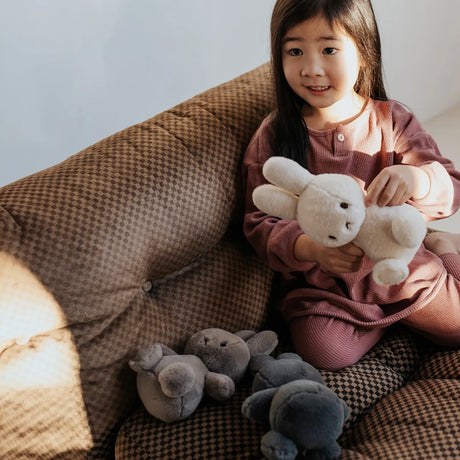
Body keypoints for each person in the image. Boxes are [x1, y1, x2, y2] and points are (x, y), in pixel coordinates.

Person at [243, 0, 460, 371]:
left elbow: (451, 186)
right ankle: (386, 319)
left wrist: (416, 178)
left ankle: (439, 245)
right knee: (325, 355)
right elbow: (259, 221)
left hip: (404, 269)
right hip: (328, 289)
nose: (311, 69)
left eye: (329, 49)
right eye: (295, 51)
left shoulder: (392, 121)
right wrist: (309, 247)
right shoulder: (275, 135)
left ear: (363, 52)